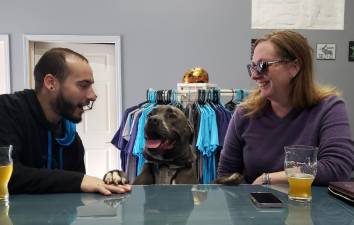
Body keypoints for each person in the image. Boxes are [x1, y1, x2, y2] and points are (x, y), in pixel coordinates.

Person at [218, 30, 354, 186]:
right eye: (253, 67)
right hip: (255, 208)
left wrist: (268, 179)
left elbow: (338, 166)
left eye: (262, 66)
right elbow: (226, 175)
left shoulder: (328, 108)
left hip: (311, 208)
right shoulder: (245, 113)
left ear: (294, 67)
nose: (254, 76)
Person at [0, 48, 131, 195]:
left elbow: (73, 197)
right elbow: (5, 175)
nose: (93, 95)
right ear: (51, 83)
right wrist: (79, 180)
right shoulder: (5, 110)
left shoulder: (71, 140)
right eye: (83, 85)